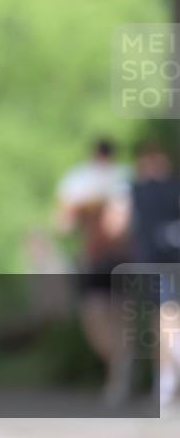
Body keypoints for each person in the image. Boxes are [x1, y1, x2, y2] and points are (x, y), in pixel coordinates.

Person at [55, 138, 134, 406]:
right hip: (92, 258)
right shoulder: (78, 179)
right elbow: (63, 221)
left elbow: (122, 224)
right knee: (95, 317)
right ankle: (120, 365)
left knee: (120, 318)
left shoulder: (124, 178)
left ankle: (118, 379)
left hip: (120, 258)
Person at [126, 140, 180, 409]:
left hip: (155, 263)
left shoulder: (137, 190)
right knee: (168, 317)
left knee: (164, 318)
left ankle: (166, 384)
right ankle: (166, 384)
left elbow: (120, 223)